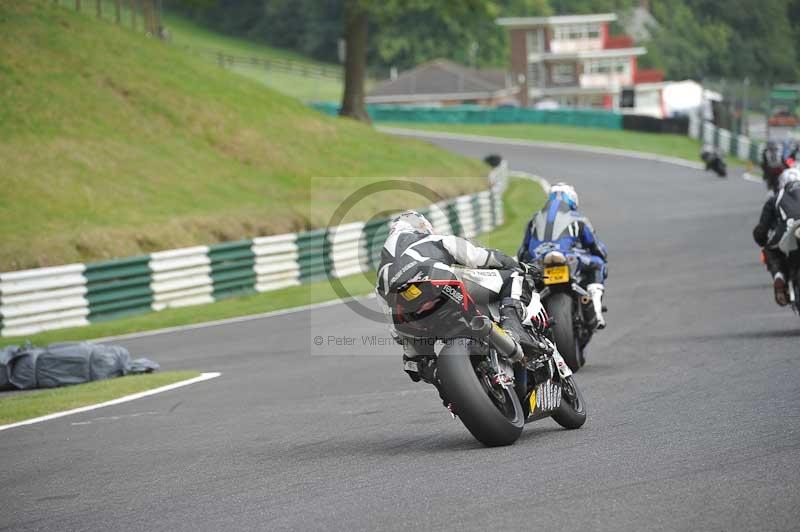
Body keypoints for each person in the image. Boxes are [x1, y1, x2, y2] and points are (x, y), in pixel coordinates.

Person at [375, 210, 541, 382]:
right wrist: (518, 266)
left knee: (416, 363)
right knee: (514, 278)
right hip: (442, 286)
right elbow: (481, 257)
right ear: (423, 228)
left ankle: (443, 386)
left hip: (408, 313)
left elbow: (393, 328)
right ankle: (513, 328)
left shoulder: (381, 276)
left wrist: (410, 351)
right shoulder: (432, 240)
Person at [518, 183, 608, 329]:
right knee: (598, 263)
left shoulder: (534, 219)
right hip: (567, 258)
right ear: (572, 200)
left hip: (539, 262)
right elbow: (597, 248)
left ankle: (528, 317)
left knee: (522, 277)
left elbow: (522, 252)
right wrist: (601, 255)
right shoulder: (578, 218)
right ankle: (596, 311)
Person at [753, 166, 800, 306]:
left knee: (770, 249)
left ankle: (779, 278)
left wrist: (762, 240)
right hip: (793, 231)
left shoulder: (775, 198)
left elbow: (761, 231)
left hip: (789, 228)